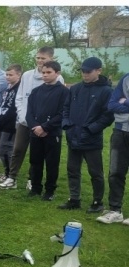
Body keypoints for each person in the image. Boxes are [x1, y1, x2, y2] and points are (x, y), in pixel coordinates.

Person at [0, 46, 65, 190]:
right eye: (38, 58)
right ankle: (12, 177)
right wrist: (24, 116)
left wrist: (45, 124)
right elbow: (20, 97)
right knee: (18, 149)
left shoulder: (57, 77)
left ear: (50, 59)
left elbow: (58, 103)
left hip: (44, 124)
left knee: (37, 154)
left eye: (43, 58)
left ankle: (32, 179)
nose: (40, 61)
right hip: (25, 120)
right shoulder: (27, 75)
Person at [58, 57, 114, 213]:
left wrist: (92, 129)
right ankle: (74, 199)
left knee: (95, 172)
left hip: (91, 139)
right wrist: (66, 124)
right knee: (72, 169)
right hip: (73, 136)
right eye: (82, 71)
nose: (85, 74)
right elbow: (66, 108)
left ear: (98, 71)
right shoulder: (75, 89)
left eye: (88, 71)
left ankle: (98, 202)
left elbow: (108, 116)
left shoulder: (106, 91)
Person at [26, 60, 69, 201]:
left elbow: (62, 113)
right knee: (35, 161)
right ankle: (36, 188)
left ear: (57, 73)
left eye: (48, 72)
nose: (45, 75)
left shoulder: (63, 92)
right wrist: (35, 127)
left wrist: (45, 127)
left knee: (51, 163)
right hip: (35, 132)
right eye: (43, 72)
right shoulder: (36, 91)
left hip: (52, 133)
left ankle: (50, 191)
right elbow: (29, 113)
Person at [96, 71, 129, 225]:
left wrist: (125, 102)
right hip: (120, 131)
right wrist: (121, 102)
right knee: (115, 172)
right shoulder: (126, 78)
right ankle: (115, 210)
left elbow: (120, 104)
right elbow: (112, 104)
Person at [0, 64, 22, 183]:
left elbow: (13, 109)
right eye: (7, 74)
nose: (8, 77)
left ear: (19, 75)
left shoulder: (19, 89)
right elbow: (3, 104)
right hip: (3, 122)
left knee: (6, 149)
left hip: (11, 124)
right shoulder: (9, 87)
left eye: (11, 75)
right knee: (2, 148)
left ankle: (11, 176)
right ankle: (7, 173)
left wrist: (2, 120)